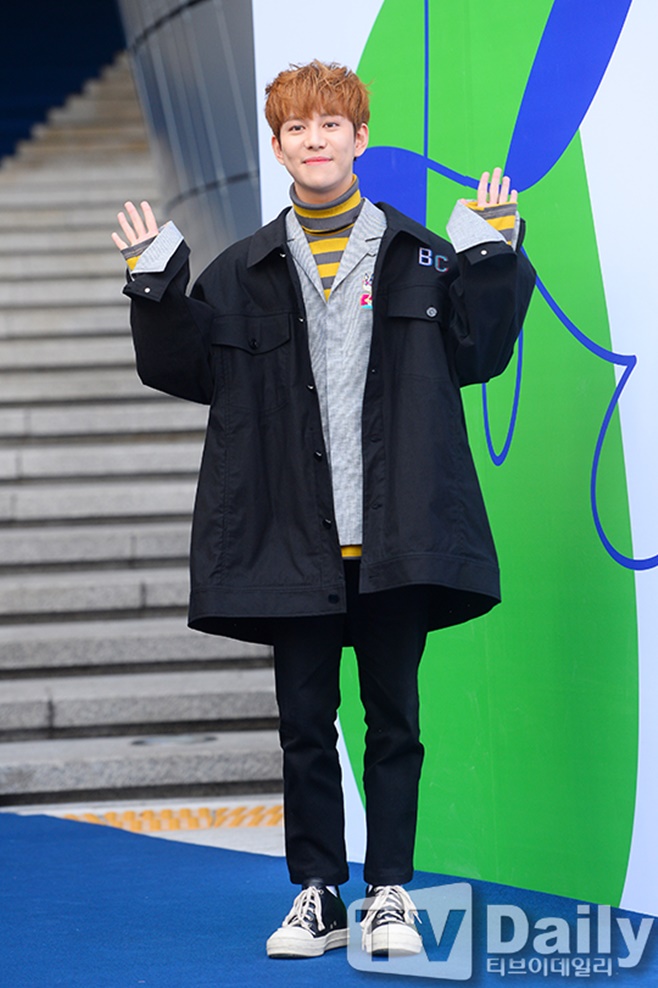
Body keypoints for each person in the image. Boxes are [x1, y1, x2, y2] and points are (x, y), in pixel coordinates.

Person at [112, 60, 535, 960]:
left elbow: (482, 352)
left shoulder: (423, 255)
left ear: (359, 138)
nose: (315, 141)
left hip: (395, 537)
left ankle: (389, 892)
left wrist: (492, 255)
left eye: (330, 125)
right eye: (297, 129)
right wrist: (152, 283)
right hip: (292, 540)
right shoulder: (240, 271)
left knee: (395, 722)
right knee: (304, 726)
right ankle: (317, 893)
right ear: (278, 148)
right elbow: (184, 368)